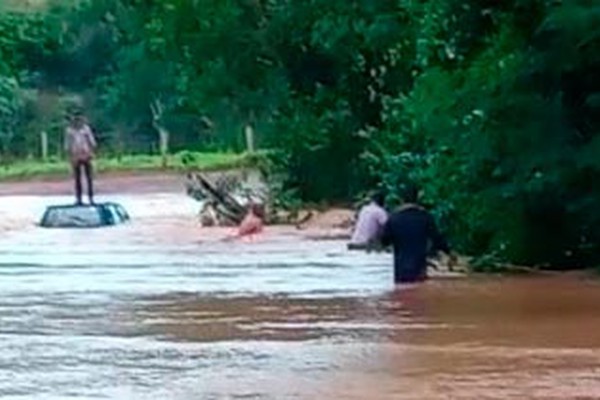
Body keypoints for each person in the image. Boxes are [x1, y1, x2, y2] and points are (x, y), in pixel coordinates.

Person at [381, 185, 456, 284]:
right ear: (418, 198)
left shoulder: (393, 218)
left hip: (400, 270)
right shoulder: (425, 217)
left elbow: (384, 241)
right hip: (419, 268)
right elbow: (438, 239)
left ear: (401, 199)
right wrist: (449, 252)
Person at [64, 112, 97, 205]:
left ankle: (91, 198)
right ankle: (79, 199)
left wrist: (91, 153)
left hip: (86, 155)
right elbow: (68, 146)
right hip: (76, 156)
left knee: (89, 178)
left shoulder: (86, 129)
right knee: (77, 179)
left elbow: (92, 142)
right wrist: (71, 157)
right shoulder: (69, 131)